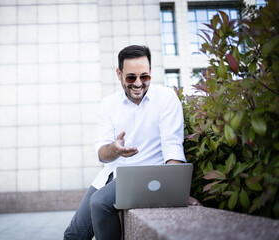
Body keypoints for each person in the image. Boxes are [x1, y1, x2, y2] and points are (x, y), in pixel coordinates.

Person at [63, 45, 200, 240]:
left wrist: (176, 192)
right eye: (131, 77)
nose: (138, 83)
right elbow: (101, 153)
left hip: (148, 176)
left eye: (144, 76)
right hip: (111, 175)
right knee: (72, 235)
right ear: (119, 74)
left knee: (100, 202)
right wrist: (115, 149)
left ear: (151, 72)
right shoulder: (108, 105)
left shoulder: (166, 98)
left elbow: (172, 147)